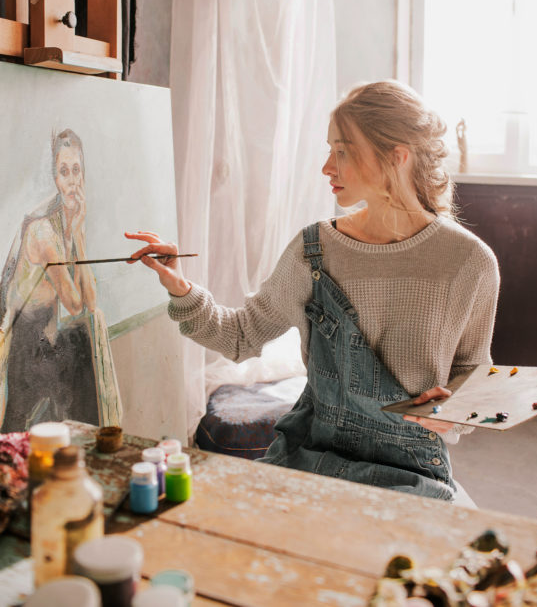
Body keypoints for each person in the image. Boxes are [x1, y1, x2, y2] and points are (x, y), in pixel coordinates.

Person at [126, 80, 499, 501]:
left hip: (411, 475)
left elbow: (475, 377)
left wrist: (451, 412)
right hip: (311, 458)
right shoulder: (314, 250)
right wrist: (179, 286)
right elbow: (239, 336)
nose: (327, 167)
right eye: (329, 150)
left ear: (396, 157)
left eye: (343, 151)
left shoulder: (470, 262)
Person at [0, 129, 122, 432]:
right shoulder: (43, 231)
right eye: (63, 171)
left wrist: (77, 233)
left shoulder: (66, 226)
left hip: (46, 344)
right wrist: (78, 232)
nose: (71, 180)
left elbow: (91, 306)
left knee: (83, 353)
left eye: (76, 170)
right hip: (25, 351)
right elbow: (75, 302)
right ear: (54, 178)